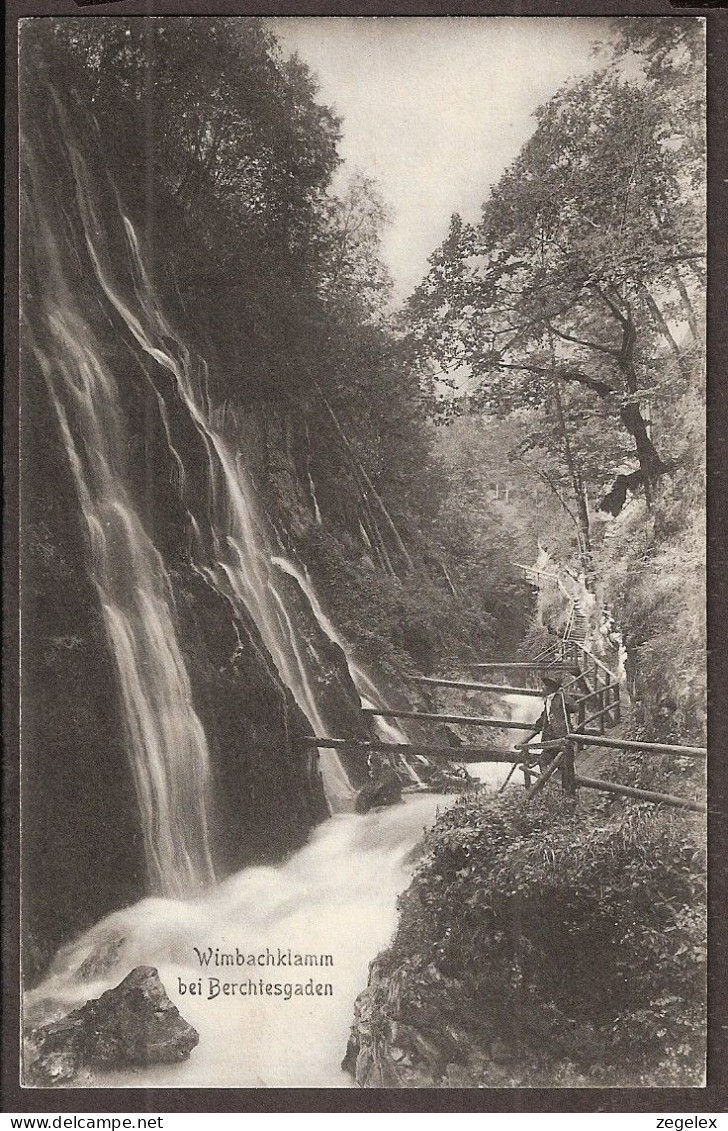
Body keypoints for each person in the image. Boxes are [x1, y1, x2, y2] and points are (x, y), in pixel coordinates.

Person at [516, 674, 577, 795]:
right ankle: (547, 788)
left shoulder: (560, 698)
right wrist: (537, 725)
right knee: (544, 761)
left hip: (562, 736)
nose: (543, 689)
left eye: (545, 687)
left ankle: (568, 792)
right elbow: (545, 715)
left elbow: (575, 708)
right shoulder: (548, 700)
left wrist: (564, 696)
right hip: (549, 737)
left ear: (550, 688)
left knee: (565, 765)